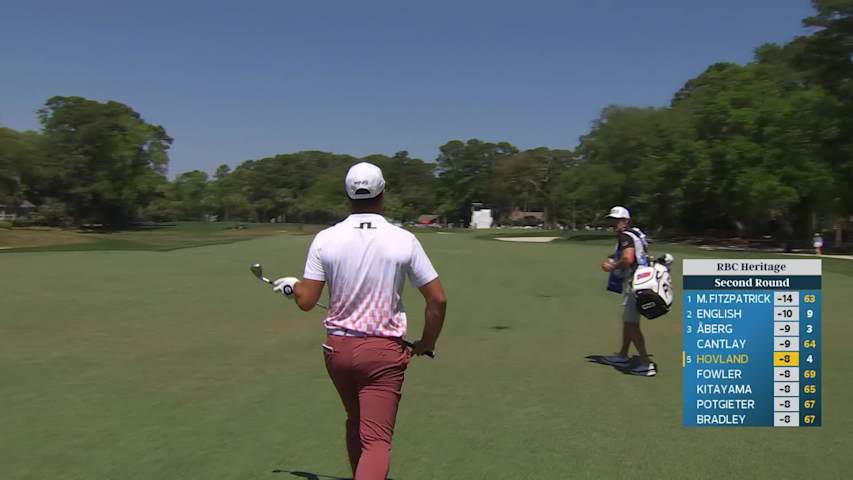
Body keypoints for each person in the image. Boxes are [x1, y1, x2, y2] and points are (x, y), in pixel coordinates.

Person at [272, 162, 447, 480]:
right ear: (383, 193)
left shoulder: (326, 238)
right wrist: (427, 342)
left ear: (348, 195)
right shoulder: (403, 239)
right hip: (381, 354)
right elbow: (437, 299)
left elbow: (306, 301)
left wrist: (291, 286)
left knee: (356, 421)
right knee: (377, 442)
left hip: (337, 350)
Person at [600, 206, 656, 377]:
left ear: (626, 221)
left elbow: (628, 258)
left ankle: (646, 365)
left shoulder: (626, 236)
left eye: (617, 221)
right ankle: (623, 355)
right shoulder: (636, 233)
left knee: (631, 323)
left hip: (635, 283)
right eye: (612, 221)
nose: (614, 224)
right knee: (629, 321)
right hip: (643, 280)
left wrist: (612, 266)